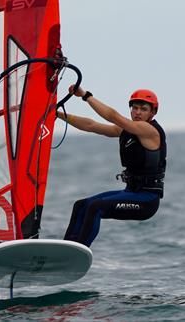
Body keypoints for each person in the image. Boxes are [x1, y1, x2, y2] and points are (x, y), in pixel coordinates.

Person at [56, 86, 166, 247]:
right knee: (81, 205)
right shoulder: (127, 130)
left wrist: (86, 96)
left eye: (143, 109)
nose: (138, 112)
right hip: (131, 192)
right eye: (134, 108)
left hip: (146, 201)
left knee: (95, 207)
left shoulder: (149, 130)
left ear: (153, 113)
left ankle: (78, 250)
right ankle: (66, 248)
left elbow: (113, 116)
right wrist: (57, 115)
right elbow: (91, 125)